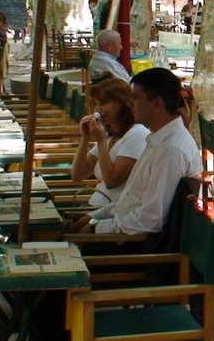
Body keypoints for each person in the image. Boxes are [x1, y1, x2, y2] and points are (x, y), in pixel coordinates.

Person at [75, 68, 201, 234]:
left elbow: (150, 220)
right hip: (123, 229)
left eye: (135, 97)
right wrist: (94, 216)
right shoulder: (157, 139)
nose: (129, 103)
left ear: (156, 102)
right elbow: (129, 202)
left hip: (136, 246)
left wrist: (95, 228)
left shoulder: (171, 149)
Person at [70, 78, 150, 215]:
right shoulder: (111, 136)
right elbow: (78, 174)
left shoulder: (137, 134)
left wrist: (101, 142)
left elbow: (111, 181)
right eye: (96, 104)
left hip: (111, 213)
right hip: (92, 207)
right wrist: (85, 138)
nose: (97, 109)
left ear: (122, 103)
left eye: (103, 103)